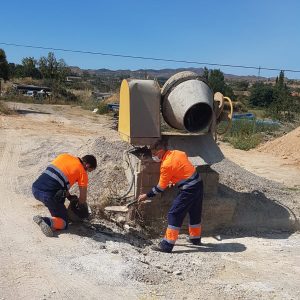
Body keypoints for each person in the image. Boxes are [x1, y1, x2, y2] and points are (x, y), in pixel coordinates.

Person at [138, 142, 203, 253]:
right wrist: (174, 179)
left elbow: (159, 188)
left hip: (188, 189)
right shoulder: (178, 153)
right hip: (198, 183)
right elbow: (182, 167)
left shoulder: (166, 165)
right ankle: (195, 239)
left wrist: (146, 195)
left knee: (174, 214)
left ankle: (167, 245)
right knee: (194, 211)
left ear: (160, 151)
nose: (153, 156)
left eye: (154, 153)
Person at [32, 153, 97, 237]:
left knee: (59, 203)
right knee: (64, 222)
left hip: (35, 188)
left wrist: (69, 197)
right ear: (87, 165)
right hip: (48, 195)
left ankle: (53, 223)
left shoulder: (65, 156)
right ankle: (45, 221)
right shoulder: (82, 173)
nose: (87, 172)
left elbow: (58, 180)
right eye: (89, 170)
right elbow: (82, 199)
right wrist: (80, 208)